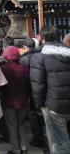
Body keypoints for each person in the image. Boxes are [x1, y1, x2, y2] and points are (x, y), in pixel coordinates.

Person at [30, 25, 70, 154]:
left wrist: (40, 105)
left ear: (42, 38)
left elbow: (38, 85)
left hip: (53, 105)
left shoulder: (39, 57)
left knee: (58, 141)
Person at [0, 46, 29, 154]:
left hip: (9, 102)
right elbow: (28, 84)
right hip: (23, 101)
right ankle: (24, 147)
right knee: (21, 124)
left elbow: (1, 87)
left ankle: (15, 149)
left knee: (12, 126)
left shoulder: (3, 68)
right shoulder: (24, 67)